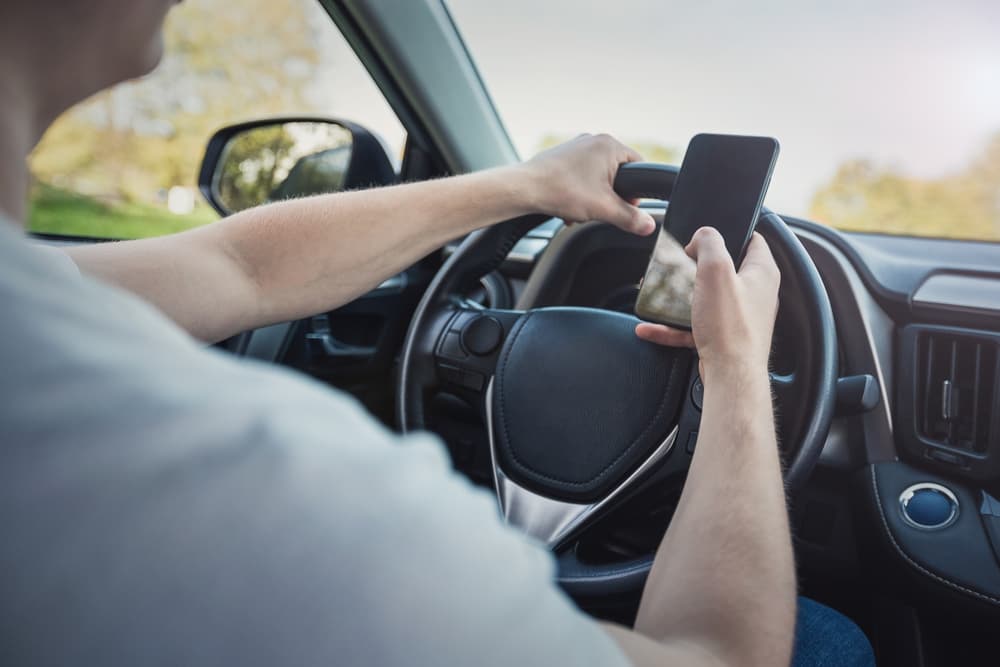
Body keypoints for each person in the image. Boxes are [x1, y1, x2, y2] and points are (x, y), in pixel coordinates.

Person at [0, 1, 875, 665]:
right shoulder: (281, 499)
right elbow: (713, 654)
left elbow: (242, 270)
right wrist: (734, 366)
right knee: (832, 637)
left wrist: (523, 185)